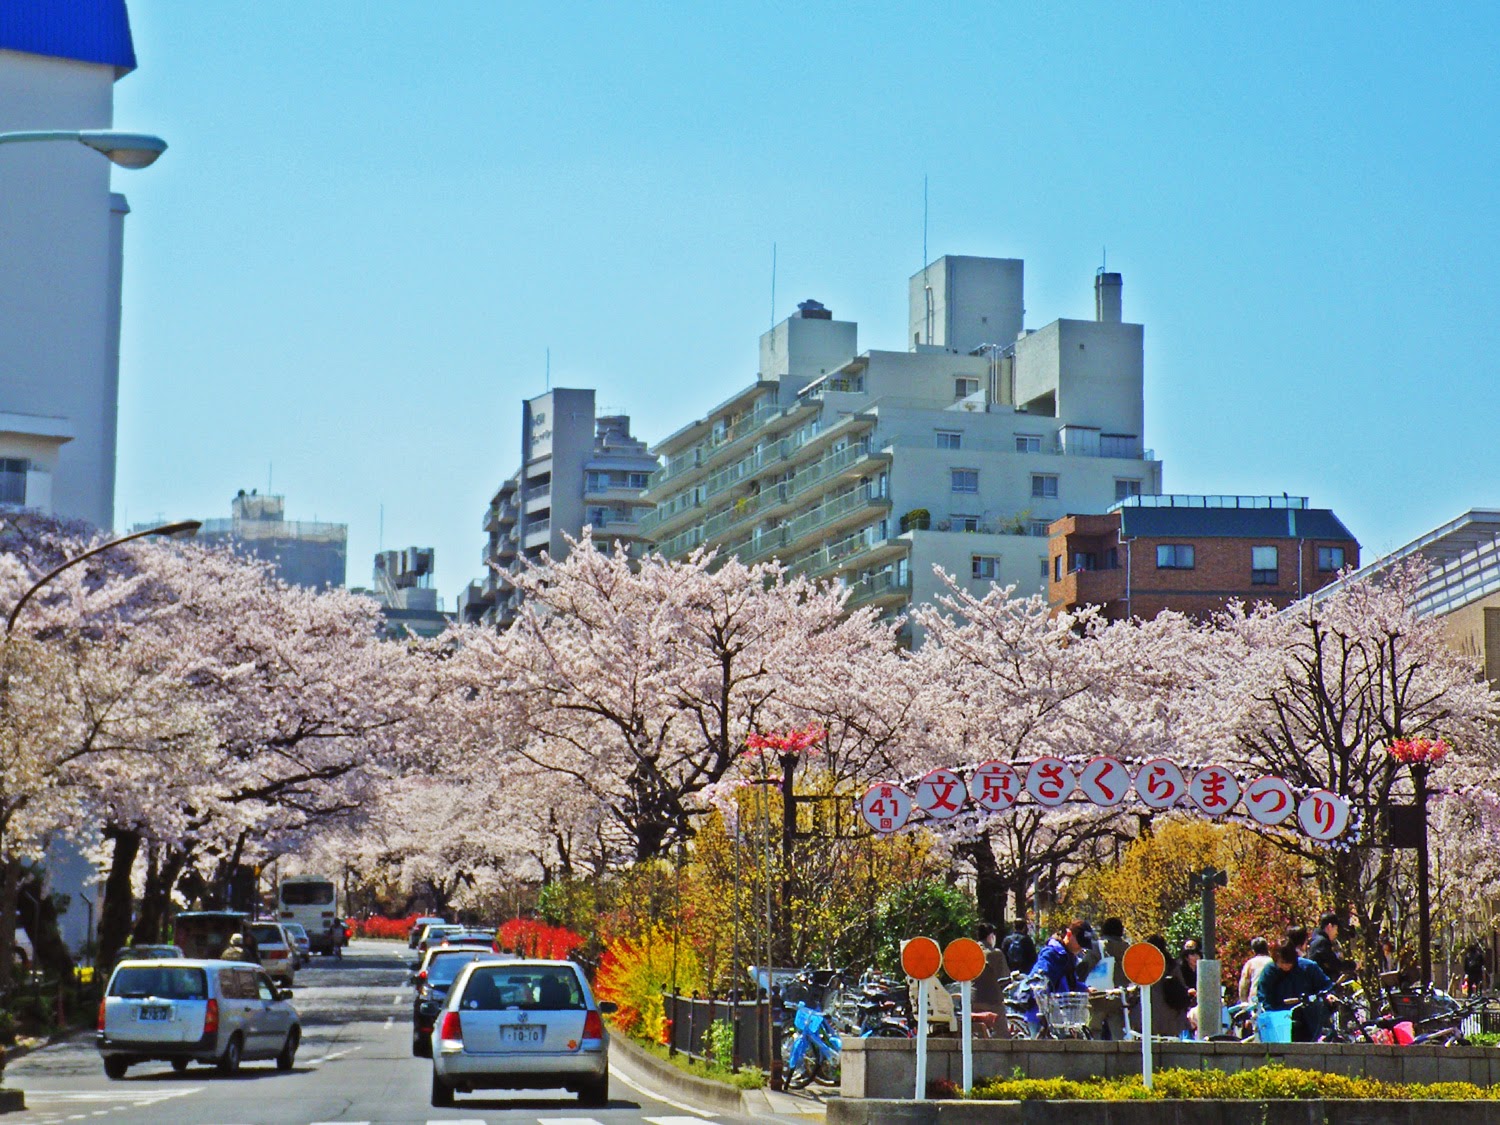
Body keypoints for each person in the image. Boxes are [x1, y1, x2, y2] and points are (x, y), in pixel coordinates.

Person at [1255, 940, 1333, 1042]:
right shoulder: (1269, 972)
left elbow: (1326, 985)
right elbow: (1264, 997)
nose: (1286, 966)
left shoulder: (1308, 967)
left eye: (1289, 962)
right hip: (1281, 1021)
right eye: (1282, 963)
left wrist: (1328, 995)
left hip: (1308, 1019)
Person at [1089, 918, 1130, 1040]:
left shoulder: (1097, 947)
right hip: (1119, 996)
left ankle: (1094, 1056)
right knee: (1118, 1034)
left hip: (1099, 995)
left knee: (1093, 1031)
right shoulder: (1127, 949)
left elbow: (1084, 968)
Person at [1028, 920, 1093, 996]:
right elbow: (1036, 982)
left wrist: (1084, 989)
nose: (1081, 947)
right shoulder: (1051, 954)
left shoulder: (1070, 957)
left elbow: (1071, 983)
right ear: (1069, 934)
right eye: (1080, 943)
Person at [970, 922, 1011, 1038]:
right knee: (1002, 1035)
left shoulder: (971, 952)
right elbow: (1004, 978)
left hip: (973, 999)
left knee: (978, 1034)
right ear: (991, 936)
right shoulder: (995, 953)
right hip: (992, 1000)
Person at [1147, 933, 1190, 1038]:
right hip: (1171, 1010)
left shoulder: (1146, 965)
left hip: (1151, 1010)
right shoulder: (1171, 964)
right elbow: (1181, 984)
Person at [1306, 912, 1357, 981]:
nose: (1337, 932)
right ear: (1330, 927)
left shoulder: (1316, 939)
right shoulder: (1322, 942)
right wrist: (1353, 965)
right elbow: (1334, 964)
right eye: (1336, 928)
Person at [1238, 937, 1273, 1005]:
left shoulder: (1250, 963)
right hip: (1271, 998)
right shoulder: (1272, 962)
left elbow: (1244, 984)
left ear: (1253, 950)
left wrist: (1243, 1001)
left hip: (1255, 999)